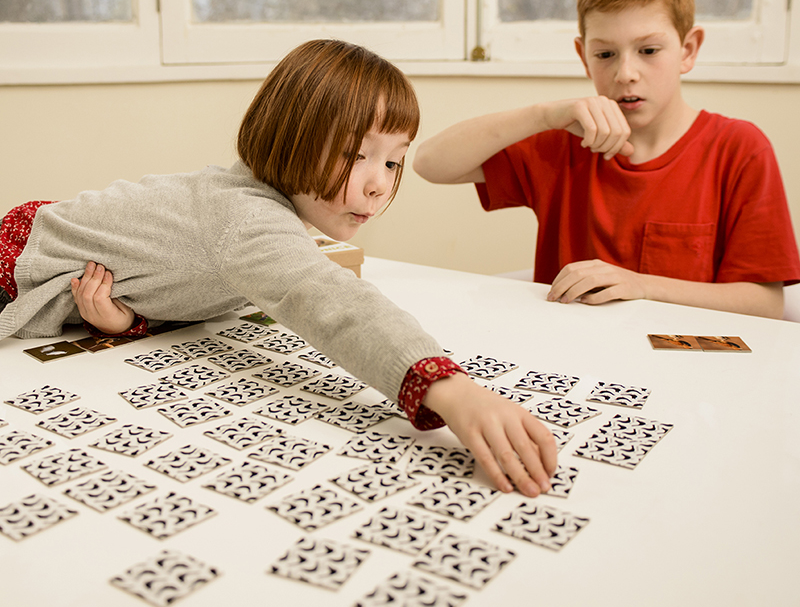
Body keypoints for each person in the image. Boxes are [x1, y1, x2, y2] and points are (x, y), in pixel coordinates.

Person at [0, 39, 556, 496]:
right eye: (354, 154)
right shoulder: (247, 220)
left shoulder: (254, 213)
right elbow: (332, 303)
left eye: (392, 160)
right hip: (17, 260)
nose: (378, 182)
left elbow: (184, 275)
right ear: (292, 137)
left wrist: (131, 322)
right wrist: (451, 389)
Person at [413, 0, 800, 320]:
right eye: (605, 54)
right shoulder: (564, 142)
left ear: (688, 49)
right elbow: (430, 163)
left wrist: (643, 286)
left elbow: (763, 305)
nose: (625, 73)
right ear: (584, 56)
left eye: (648, 51)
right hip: (575, 364)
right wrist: (545, 114)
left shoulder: (739, 149)